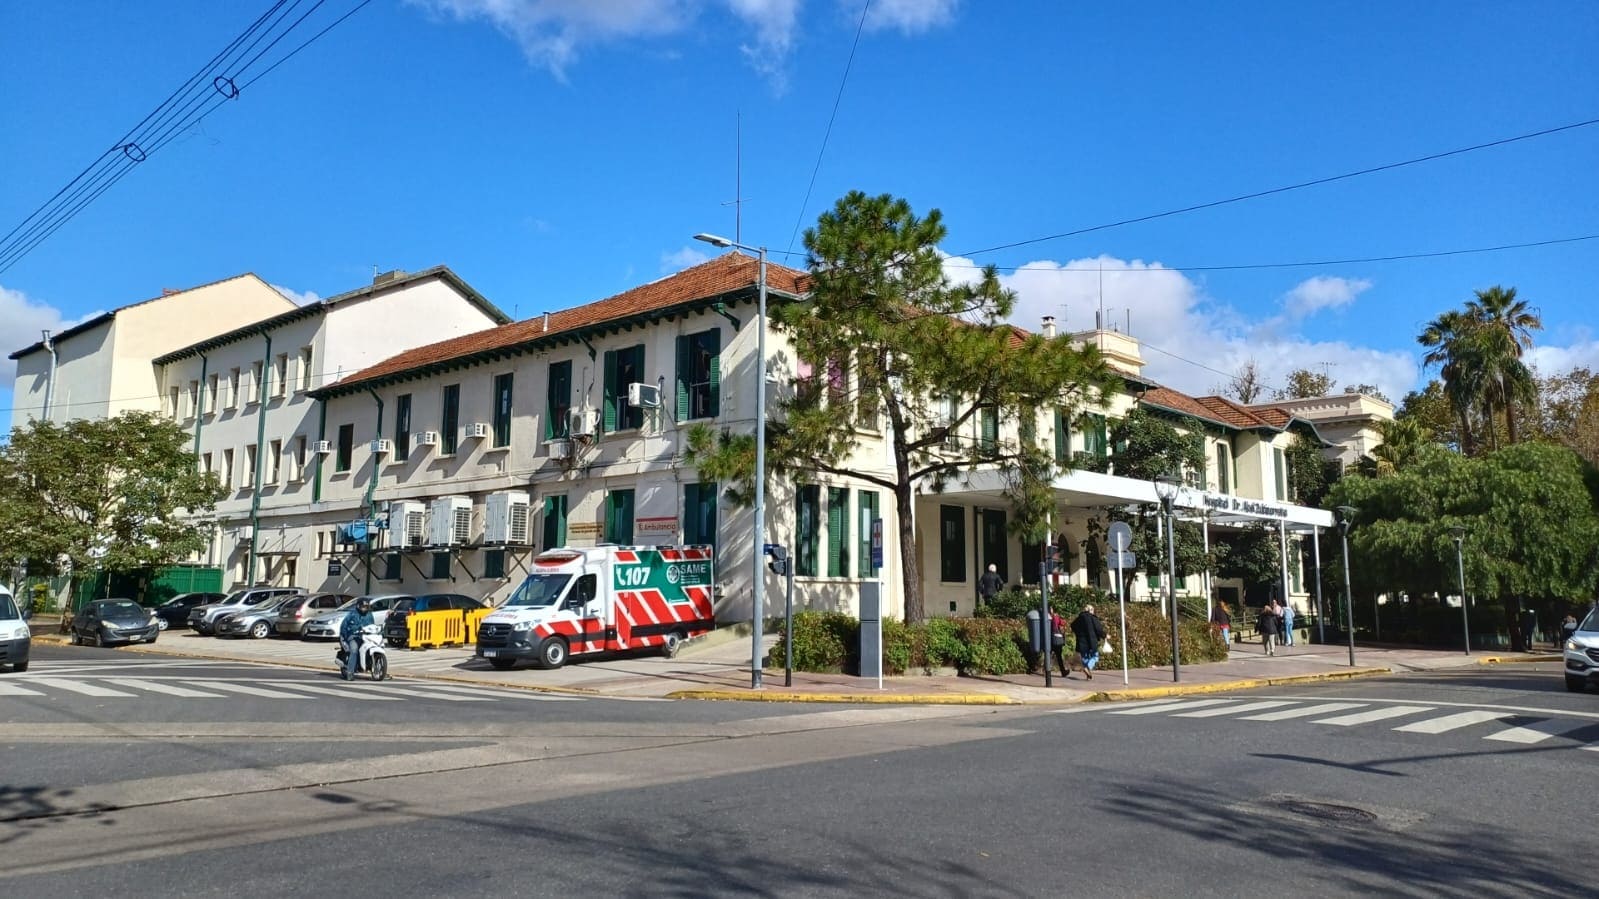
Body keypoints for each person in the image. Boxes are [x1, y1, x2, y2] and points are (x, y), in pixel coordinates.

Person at [339, 598, 376, 681]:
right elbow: (344, 626)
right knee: (354, 650)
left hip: (366, 637)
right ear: (358, 606)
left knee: (371, 648)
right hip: (353, 637)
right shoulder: (352, 614)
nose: (365, 608)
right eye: (363, 606)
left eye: (366, 607)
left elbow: (372, 626)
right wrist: (344, 636)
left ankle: (371, 666)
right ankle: (350, 673)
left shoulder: (369, 615)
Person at [1071, 604, 1107, 679]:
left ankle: (1088, 673)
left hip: (1081, 641)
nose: (1093, 612)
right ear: (1090, 610)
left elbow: (1072, 626)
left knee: (1085, 658)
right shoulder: (1093, 618)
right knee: (1095, 656)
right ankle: (1087, 667)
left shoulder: (1078, 619)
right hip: (1091, 641)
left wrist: (1078, 633)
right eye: (1093, 610)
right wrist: (1105, 635)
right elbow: (1098, 629)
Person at [1048, 608, 1070, 678]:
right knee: (1058, 656)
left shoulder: (1045, 616)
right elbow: (1061, 623)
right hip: (1056, 639)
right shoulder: (1055, 617)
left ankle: (1045, 670)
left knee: (1048, 655)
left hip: (1049, 639)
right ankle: (1063, 671)